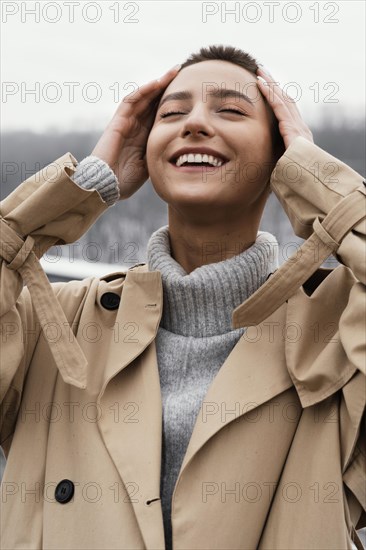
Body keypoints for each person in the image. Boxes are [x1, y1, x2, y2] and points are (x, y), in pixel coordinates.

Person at [0, 44, 365, 550]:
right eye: (171, 114)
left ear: (282, 156)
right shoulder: (54, 323)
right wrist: (72, 195)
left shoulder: (338, 334)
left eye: (231, 110)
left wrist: (316, 181)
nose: (193, 124)